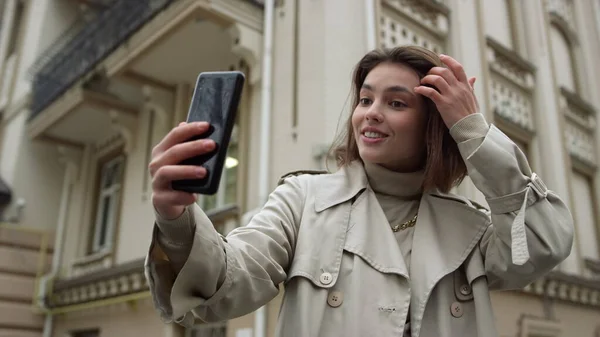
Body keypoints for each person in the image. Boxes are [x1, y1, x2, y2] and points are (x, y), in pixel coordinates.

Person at [145, 46, 574, 337]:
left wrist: (474, 132)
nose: (370, 114)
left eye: (397, 103)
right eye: (365, 99)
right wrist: (176, 220)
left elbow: (541, 245)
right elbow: (225, 285)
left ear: (434, 126)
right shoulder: (302, 199)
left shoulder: (473, 227)